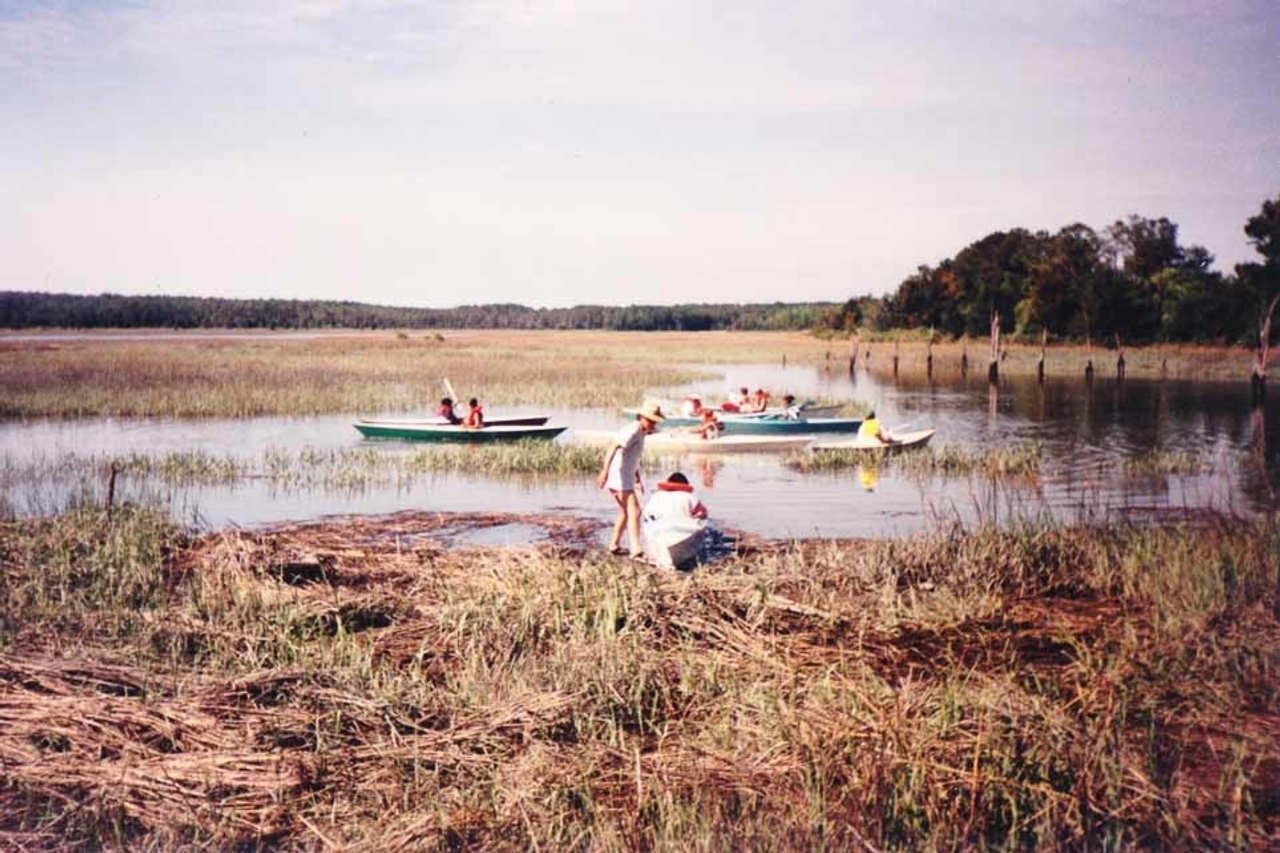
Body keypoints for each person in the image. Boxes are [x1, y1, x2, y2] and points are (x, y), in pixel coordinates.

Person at [597, 399, 664, 558]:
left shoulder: (641, 433)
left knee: (626, 513)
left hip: (625, 476)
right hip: (618, 477)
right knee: (635, 511)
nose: (652, 425)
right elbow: (612, 447)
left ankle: (614, 545)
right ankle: (636, 549)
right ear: (641, 417)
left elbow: (631, 458)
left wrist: (637, 479)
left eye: (654, 422)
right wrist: (604, 472)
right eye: (650, 421)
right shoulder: (633, 430)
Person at [643, 472, 708, 523]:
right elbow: (703, 514)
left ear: (668, 483)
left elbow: (646, 513)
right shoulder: (691, 497)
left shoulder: (656, 496)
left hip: (658, 526)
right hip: (683, 528)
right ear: (686, 485)